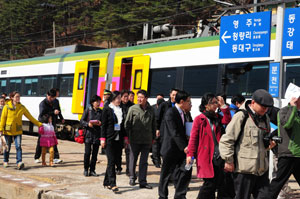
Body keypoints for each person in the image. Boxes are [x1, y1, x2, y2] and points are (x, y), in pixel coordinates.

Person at [219, 89, 276, 199]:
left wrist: (269, 144)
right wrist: (228, 160)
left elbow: (262, 142)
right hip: (244, 170)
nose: (265, 110)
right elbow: (227, 140)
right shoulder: (241, 116)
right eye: (263, 107)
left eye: (267, 107)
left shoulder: (266, 118)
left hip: (261, 169)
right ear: (253, 103)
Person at [186, 93, 231, 199]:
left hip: (219, 156)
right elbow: (193, 139)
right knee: (209, 184)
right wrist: (190, 155)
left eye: (216, 102)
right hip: (206, 156)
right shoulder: (199, 119)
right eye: (213, 103)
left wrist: (223, 106)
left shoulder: (218, 117)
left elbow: (228, 120)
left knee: (219, 183)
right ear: (206, 105)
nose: (216, 105)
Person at [158, 90, 192, 199]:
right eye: (188, 101)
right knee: (166, 175)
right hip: (170, 149)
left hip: (181, 150)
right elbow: (174, 132)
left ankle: (180, 195)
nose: (189, 103)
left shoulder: (185, 113)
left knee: (186, 170)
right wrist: (185, 147)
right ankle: (162, 196)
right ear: (182, 101)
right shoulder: (171, 112)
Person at [267, 96, 300, 199]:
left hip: (298, 154)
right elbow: (287, 124)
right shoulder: (283, 111)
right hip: (288, 153)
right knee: (278, 182)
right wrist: (293, 107)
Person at [0, 91, 42, 169]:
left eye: (19, 96)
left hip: (18, 130)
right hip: (8, 130)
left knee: (18, 146)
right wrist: (1, 129)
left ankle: (19, 162)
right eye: (16, 97)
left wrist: (39, 124)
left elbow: (30, 117)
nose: (18, 98)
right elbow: (3, 118)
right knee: (7, 147)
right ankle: (5, 160)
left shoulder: (22, 107)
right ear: (12, 98)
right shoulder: (7, 107)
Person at [125, 89, 155, 189]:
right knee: (133, 159)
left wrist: (153, 137)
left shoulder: (151, 110)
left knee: (144, 161)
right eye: (138, 97)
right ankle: (132, 177)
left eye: (141, 97)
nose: (139, 99)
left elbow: (153, 124)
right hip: (134, 139)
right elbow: (127, 124)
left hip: (147, 140)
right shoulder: (132, 109)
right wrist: (127, 137)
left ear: (146, 98)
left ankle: (143, 181)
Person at [101, 91, 127, 193]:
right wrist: (102, 139)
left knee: (115, 161)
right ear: (113, 99)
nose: (119, 100)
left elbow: (123, 125)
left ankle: (106, 182)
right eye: (118, 98)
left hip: (119, 139)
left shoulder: (121, 109)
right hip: (109, 138)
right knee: (111, 161)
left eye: (120, 98)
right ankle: (113, 184)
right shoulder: (107, 109)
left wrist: (125, 138)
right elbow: (103, 125)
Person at [34, 89, 62, 164]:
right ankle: (37, 157)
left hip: (52, 122)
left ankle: (55, 157)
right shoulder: (42, 103)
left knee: (53, 139)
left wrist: (61, 118)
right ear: (47, 95)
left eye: (53, 97)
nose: (52, 99)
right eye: (51, 97)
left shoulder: (56, 101)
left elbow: (59, 109)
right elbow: (43, 114)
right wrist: (53, 112)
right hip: (43, 123)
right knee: (41, 140)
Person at [155, 88, 179, 167]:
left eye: (176, 95)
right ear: (170, 95)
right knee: (165, 149)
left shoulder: (178, 105)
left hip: (174, 131)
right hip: (164, 130)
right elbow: (158, 117)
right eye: (173, 95)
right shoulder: (164, 105)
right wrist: (157, 128)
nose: (175, 96)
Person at [80, 95, 102, 177]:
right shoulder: (88, 110)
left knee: (95, 154)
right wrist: (87, 124)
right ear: (92, 103)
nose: (98, 103)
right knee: (87, 153)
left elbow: (103, 122)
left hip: (97, 135)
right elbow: (81, 121)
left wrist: (100, 123)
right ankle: (86, 169)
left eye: (99, 101)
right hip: (88, 134)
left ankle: (92, 170)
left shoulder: (101, 112)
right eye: (97, 101)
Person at [118, 89, 134, 175]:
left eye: (127, 96)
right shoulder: (117, 106)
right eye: (124, 96)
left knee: (128, 152)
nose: (126, 98)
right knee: (118, 151)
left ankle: (129, 169)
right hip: (119, 132)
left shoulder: (132, 106)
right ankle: (118, 167)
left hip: (129, 132)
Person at [151, 97, 165, 168]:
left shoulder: (165, 109)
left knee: (159, 147)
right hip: (155, 130)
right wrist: (156, 129)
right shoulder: (152, 108)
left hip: (162, 131)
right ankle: (157, 162)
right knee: (155, 147)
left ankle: (158, 161)